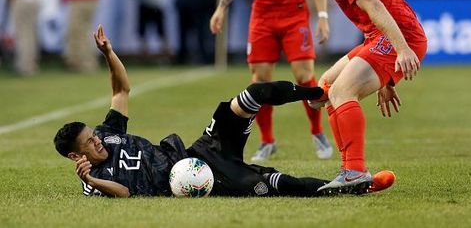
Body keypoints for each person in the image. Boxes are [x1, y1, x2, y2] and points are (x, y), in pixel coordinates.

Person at [53, 25, 333, 198]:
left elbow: (120, 91)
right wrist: (90, 178)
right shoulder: (93, 183)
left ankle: (318, 94)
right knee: (273, 185)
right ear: (76, 156)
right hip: (196, 178)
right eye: (89, 142)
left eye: (93, 135)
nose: (97, 140)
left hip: (198, 152)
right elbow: (124, 193)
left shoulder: (107, 134)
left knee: (253, 95)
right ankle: (341, 186)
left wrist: (109, 54)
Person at [270, 0, 427, 194]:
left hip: (399, 36)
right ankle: (353, 174)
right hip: (381, 38)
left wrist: (401, 49)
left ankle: (355, 171)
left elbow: (375, 5)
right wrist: (385, 79)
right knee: (326, 88)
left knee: (342, 92)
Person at [210, 0, 332, 162]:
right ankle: (267, 141)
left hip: (295, 15)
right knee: (260, 81)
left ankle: (317, 132)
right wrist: (221, 8)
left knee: (305, 76)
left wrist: (322, 15)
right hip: (262, 17)